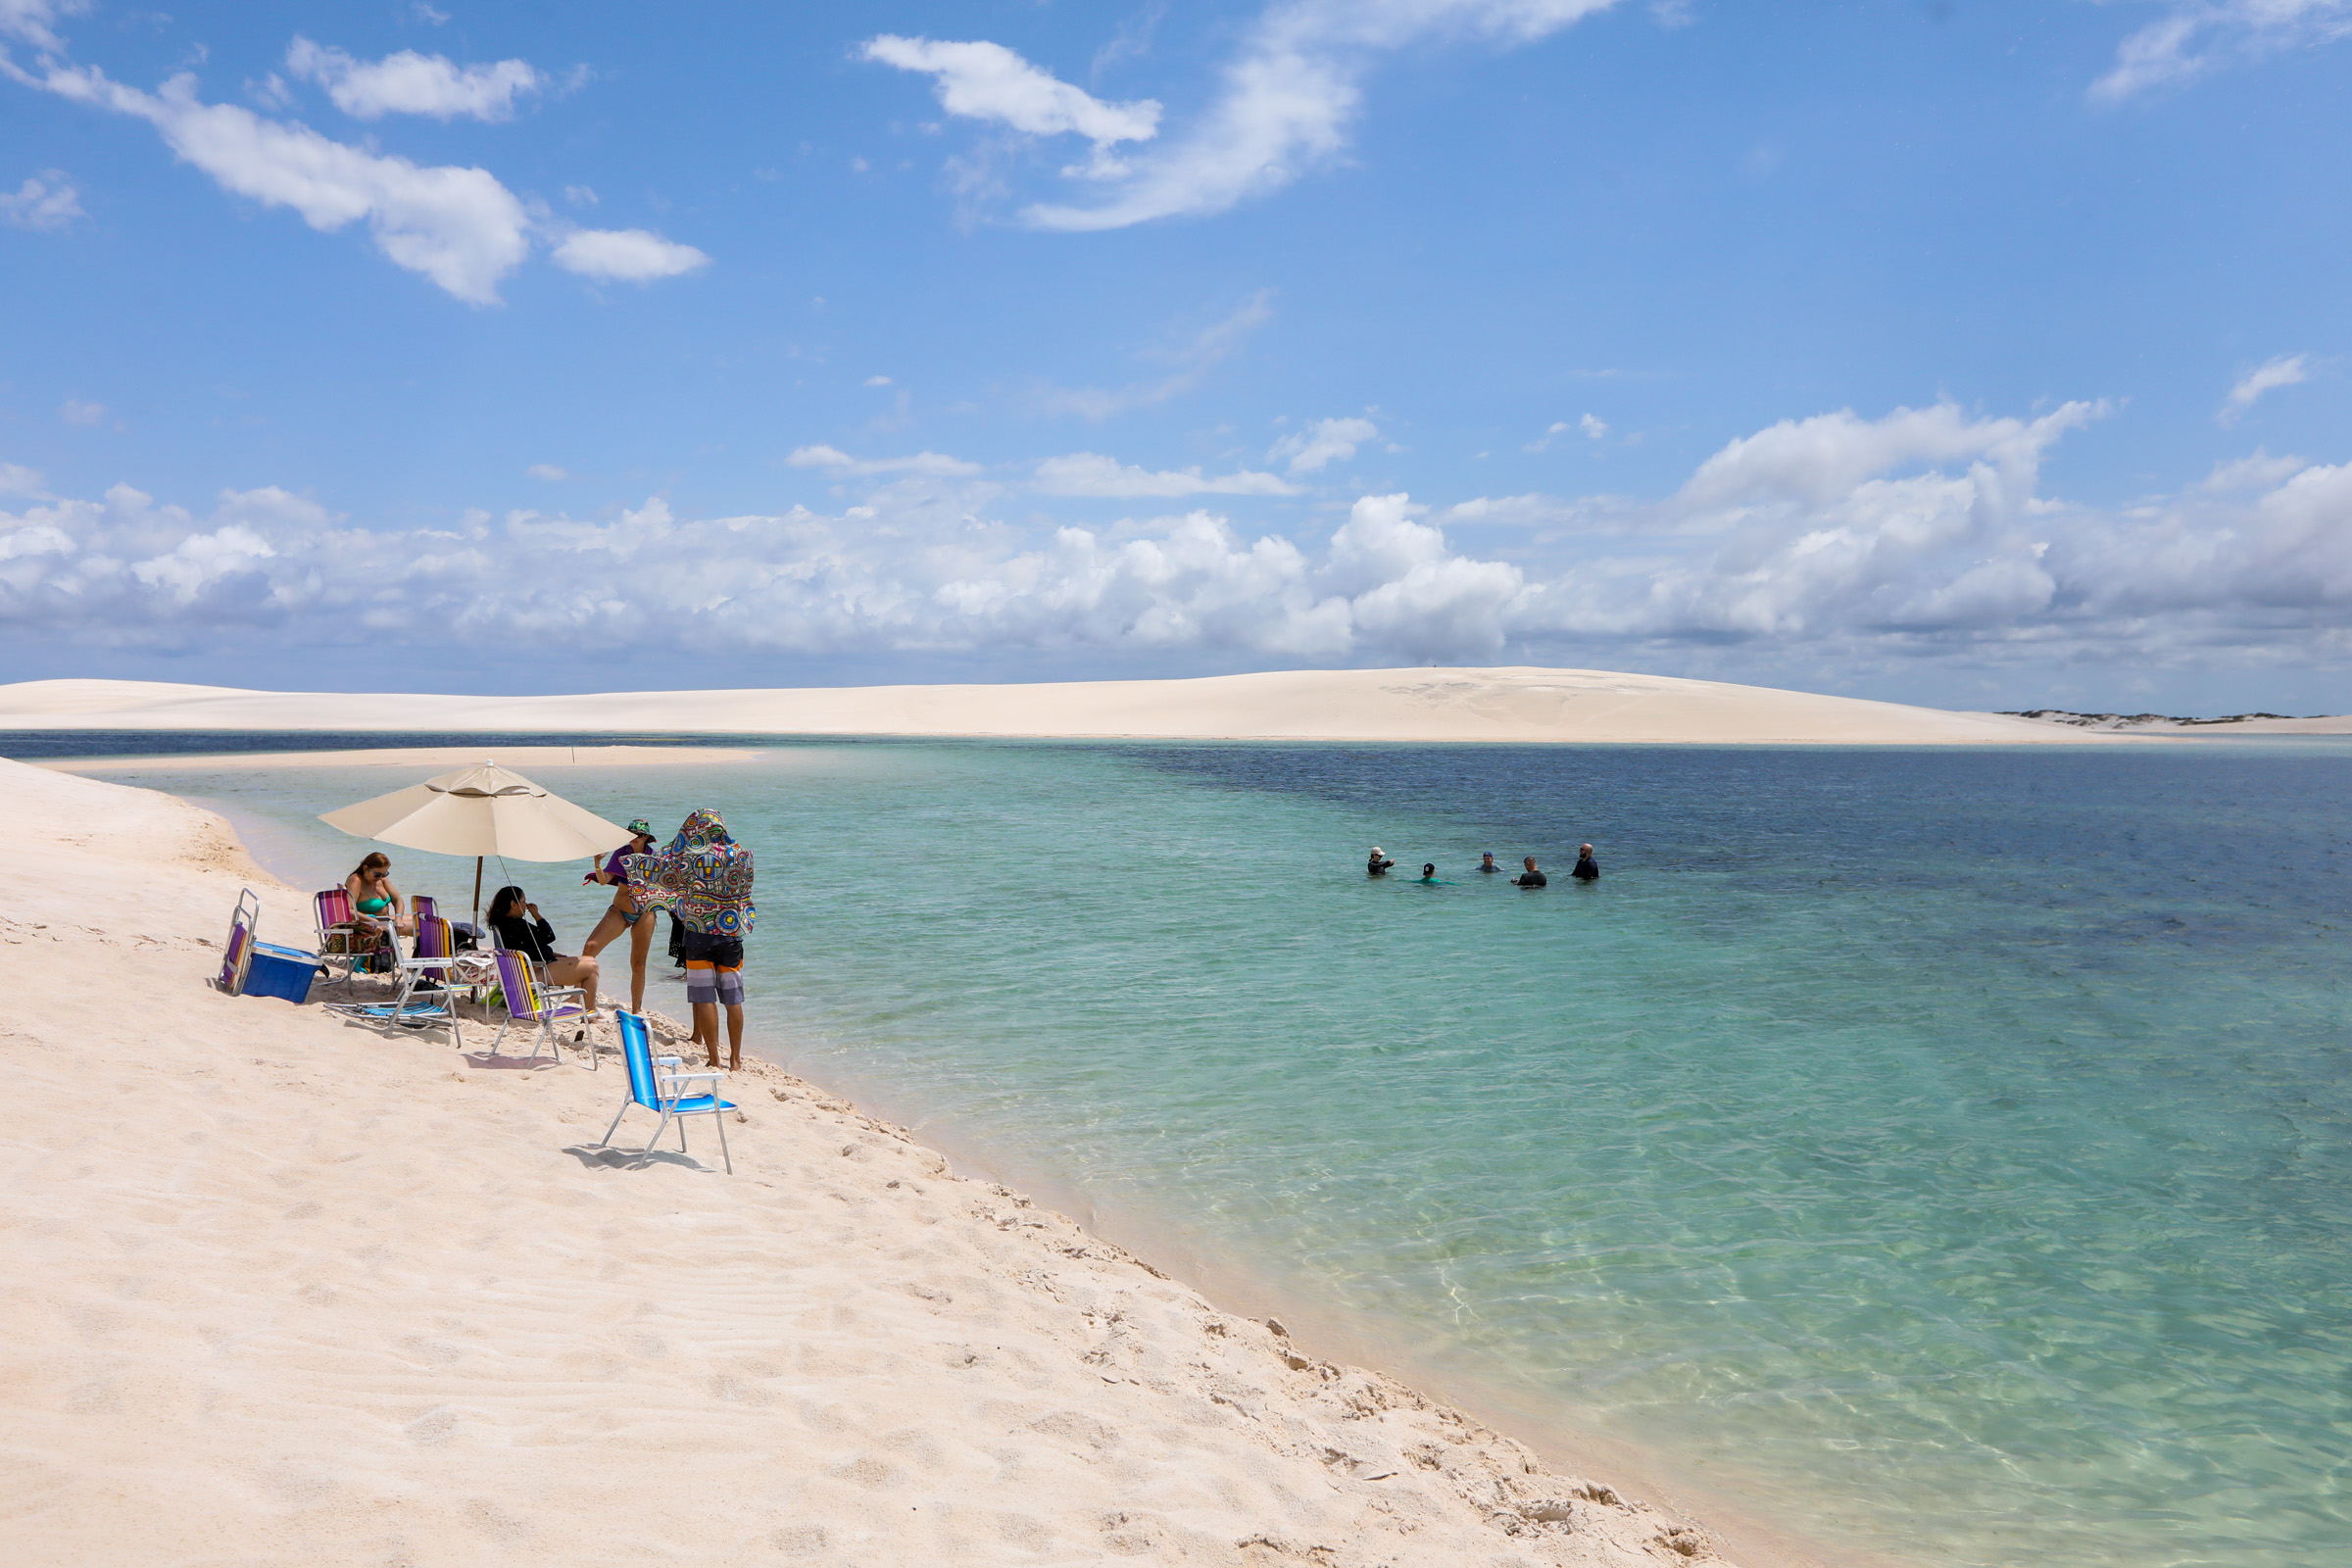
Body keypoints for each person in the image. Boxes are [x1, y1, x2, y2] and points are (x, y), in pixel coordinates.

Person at [624, 809, 755, 1072]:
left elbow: (662, 872)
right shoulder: (744, 855)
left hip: (697, 934)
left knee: (705, 997)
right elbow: (745, 889)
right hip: (730, 934)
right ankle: (736, 1060)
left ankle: (715, 1057)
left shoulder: (690, 858)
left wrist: (633, 860)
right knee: (733, 1000)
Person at [486, 885, 603, 1015]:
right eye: (524, 902)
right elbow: (548, 935)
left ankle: (590, 1009)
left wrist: (550, 953)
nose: (526, 906)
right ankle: (590, 1013)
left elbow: (525, 946)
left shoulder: (504, 924)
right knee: (592, 968)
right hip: (533, 973)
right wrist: (536, 914)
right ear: (513, 904)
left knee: (589, 959)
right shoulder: (518, 925)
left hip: (523, 970)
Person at [580, 818, 659, 1011]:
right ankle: (578, 999)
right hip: (620, 911)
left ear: (646, 837)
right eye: (630, 834)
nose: (633, 838)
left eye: (637, 835)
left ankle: (636, 1010)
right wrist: (597, 863)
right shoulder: (621, 853)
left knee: (638, 964)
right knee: (590, 948)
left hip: (645, 913)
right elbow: (603, 879)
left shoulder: (654, 858)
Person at [343, 852, 411, 969]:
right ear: (366, 868)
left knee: (419, 918)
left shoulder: (382, 880)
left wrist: (399, 917)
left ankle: (425, 961)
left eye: (385, 874)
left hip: (384, 920)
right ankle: (430, 965)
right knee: (421, 926)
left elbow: (398, 899)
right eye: (377, 874)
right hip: (369, 924)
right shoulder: (356, 881)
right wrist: (371, 919)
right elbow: (347, 911)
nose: (381, 877)